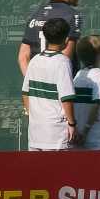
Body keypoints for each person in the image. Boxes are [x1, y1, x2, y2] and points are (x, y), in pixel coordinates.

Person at [17, 0, 85, 77]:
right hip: (59, 87)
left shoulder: (36, 13)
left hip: (36, 87)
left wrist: (31, 83)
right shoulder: (73, 15)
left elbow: (23, 56)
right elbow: (65, 57)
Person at [22, 18, 77, 151]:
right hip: (56, 134)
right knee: (59, 171)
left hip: (35, 133)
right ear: (66, 39)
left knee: (37, 171)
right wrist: (72, 124)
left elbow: (25, 92)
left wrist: (34, 116)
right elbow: (66, 98)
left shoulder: (35, 60)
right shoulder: (62, 62)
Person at [72, 34, 100, 151]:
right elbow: (96, 105)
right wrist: (85, 131)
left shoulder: (77, 76)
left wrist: (79, 132)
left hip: (78, 137)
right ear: (99, 55)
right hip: (97, 138)